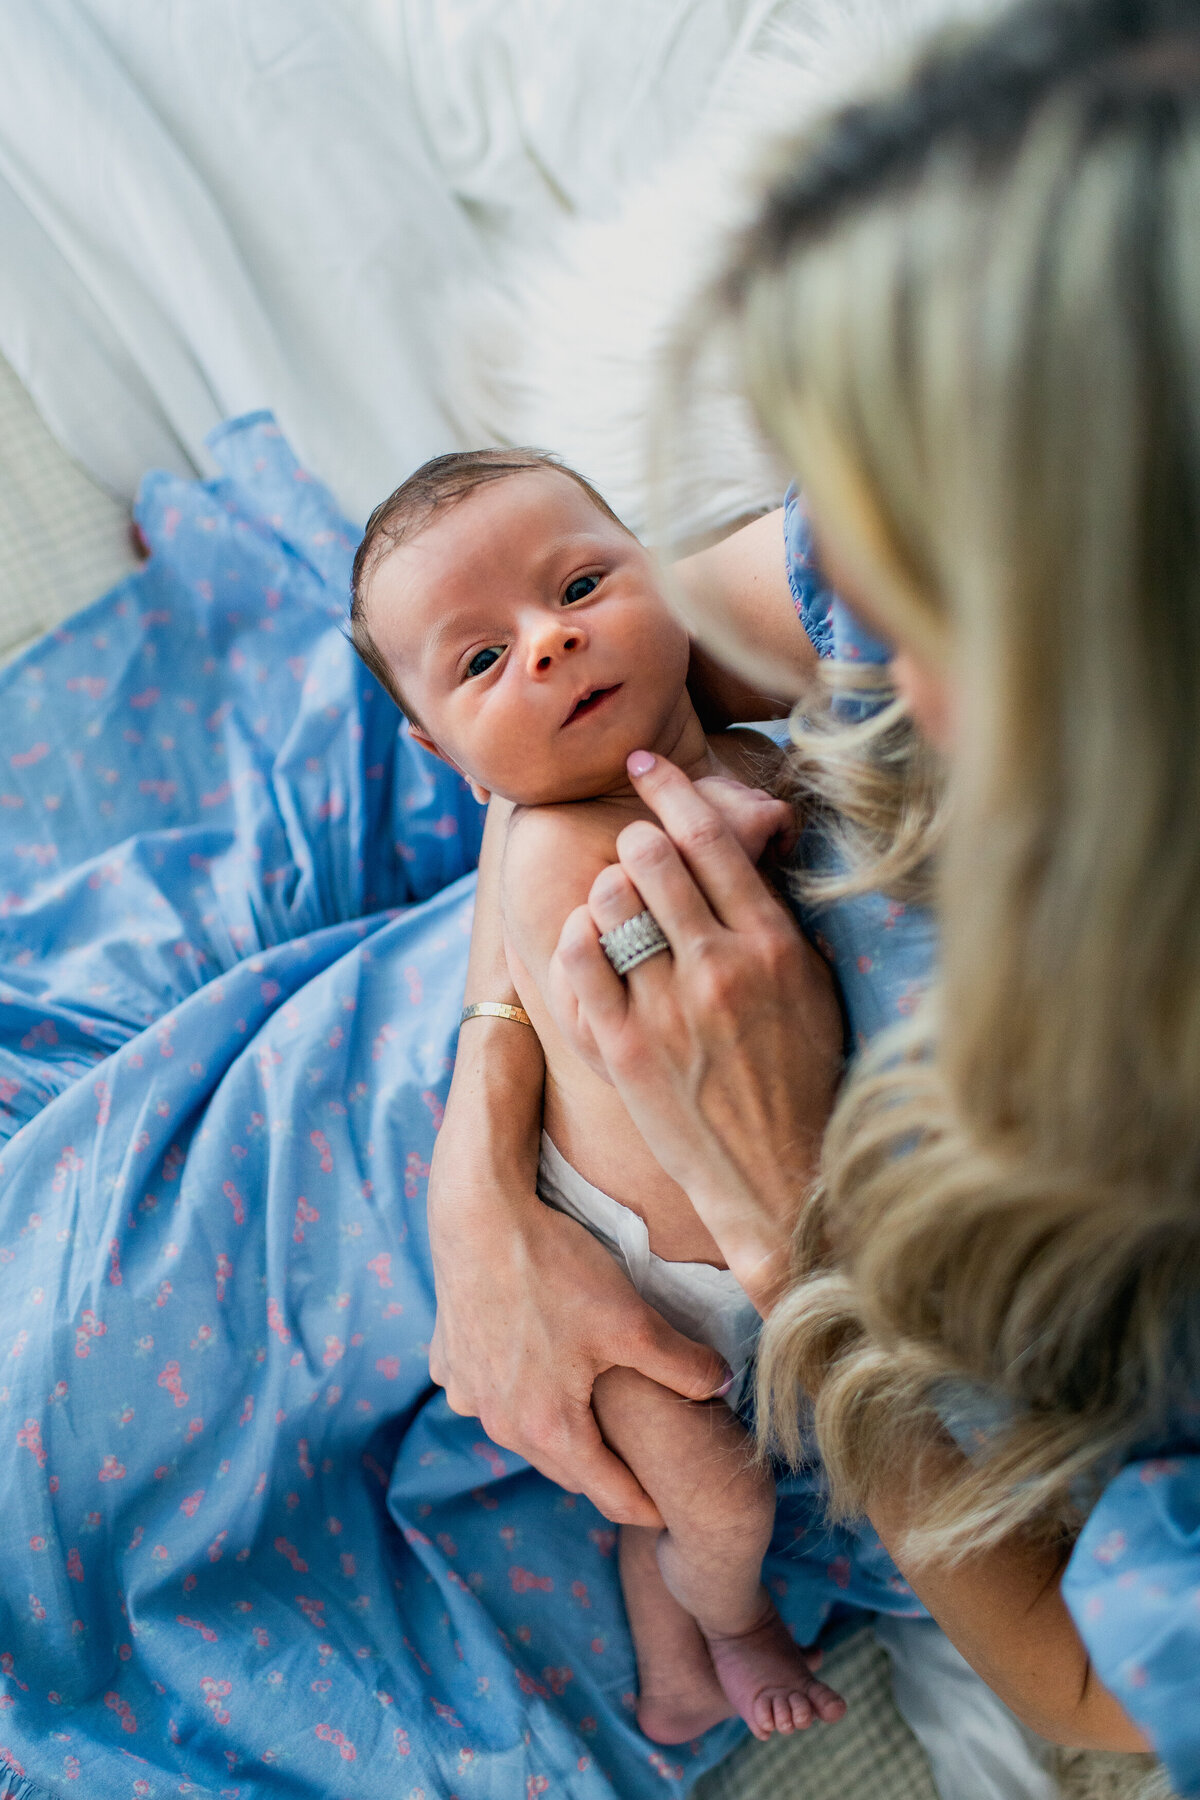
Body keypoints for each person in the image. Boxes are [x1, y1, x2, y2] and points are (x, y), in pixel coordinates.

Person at [428, 0, 1200, 1787]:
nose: (883, 672)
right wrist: (480, 1155)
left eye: (945, 610)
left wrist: (783, 1218)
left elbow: (1095, 1688)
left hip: (779, 1403)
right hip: (432, 1111)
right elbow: (591, 677)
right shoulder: (1018, 438)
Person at [348, 444, 851, 1744]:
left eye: (579, 584)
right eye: (480, 661)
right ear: (443, 751)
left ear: (658, 569)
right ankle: (717, 1628)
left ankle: (672, 1612)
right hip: (624, 1281)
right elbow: (626, 943)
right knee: (722, 1509)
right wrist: (755, 824)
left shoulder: (736, 742)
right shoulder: (548, 848)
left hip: (755, 1234)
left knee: (742, 1479)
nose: (551, 645)